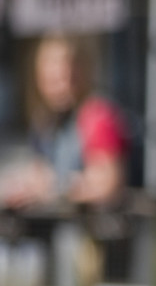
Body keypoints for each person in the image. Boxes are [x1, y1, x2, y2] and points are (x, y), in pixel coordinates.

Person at [2, 33, 128, 208]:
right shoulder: (46, 121)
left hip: (91, 222)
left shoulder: (97, 116)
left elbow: (107, 186)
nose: (62, 85)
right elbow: (39, 173)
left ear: (82, 73)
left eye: (68, 76)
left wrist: (55, 189)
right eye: (53, 79)